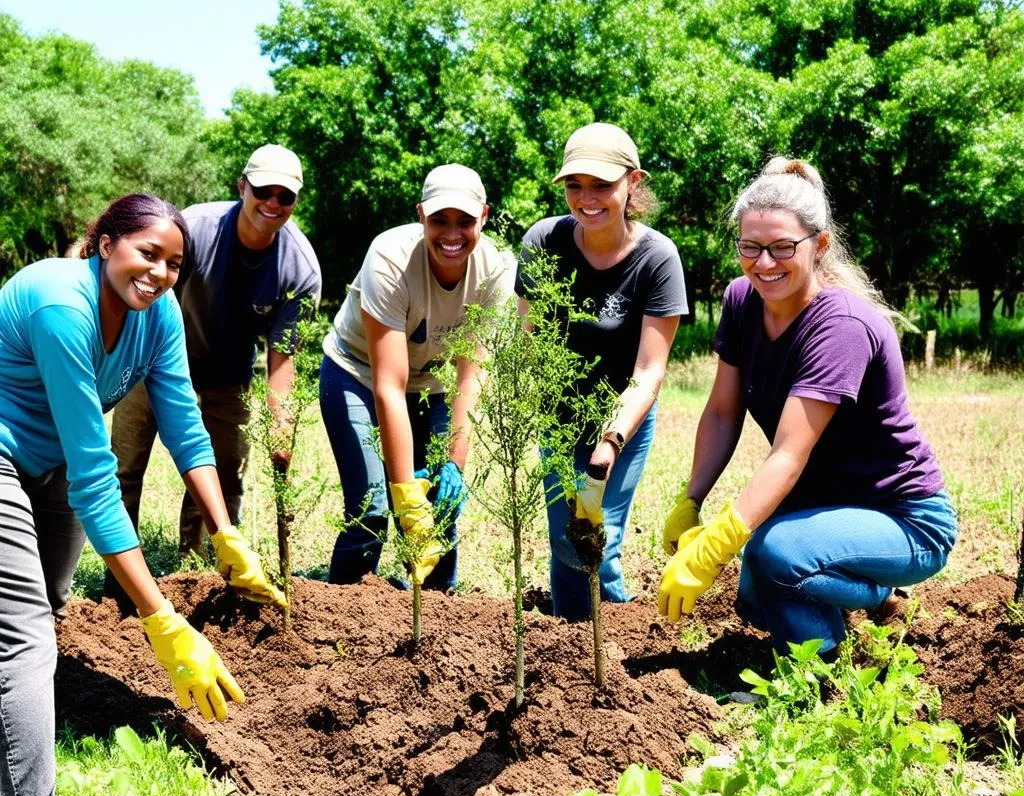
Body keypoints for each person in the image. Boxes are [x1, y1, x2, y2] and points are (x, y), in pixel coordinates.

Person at [0, 194, 286, 796]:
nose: (159, 274)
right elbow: (95, 477)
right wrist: (162, 619)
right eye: (146, 254)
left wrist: (225, 532)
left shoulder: (158, 316)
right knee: (22, 635)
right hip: (8, 452)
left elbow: (186, 424)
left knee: (46, 610)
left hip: (56, 461)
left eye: (174, 264)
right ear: (106, 245)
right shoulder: (60, 306)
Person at [658, 158, 957, 657]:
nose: (764, 263)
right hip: (825, 507)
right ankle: (838, 590)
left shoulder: (840, 325)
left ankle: (821, 666)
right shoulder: (741, 300)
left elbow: (788, 455)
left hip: (904, 519)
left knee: (775, 556)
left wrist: (718, 543)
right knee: (756, 600)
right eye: (750, 248)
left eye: (781, 248)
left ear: (818, 246)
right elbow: (721, 412)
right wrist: (692, 500)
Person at [109, 145, 322, 574]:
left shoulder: (300, 269)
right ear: (242, 186)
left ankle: (199, 572)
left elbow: (281, 361)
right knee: (124, 469)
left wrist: (281, 433)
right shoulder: (197, 230)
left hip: (229, 375)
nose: (273, 203)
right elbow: (148, 295)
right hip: (154, 361)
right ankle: (120, 577)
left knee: (224, 475)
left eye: (286, 196)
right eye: (264, 190)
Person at [515, 123, 687, 621]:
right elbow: (530, 342)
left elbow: (650, 370)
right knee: (568, 542)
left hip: (624, 420)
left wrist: (608, 442)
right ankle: (574, 647)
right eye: (574, 185)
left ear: (632, 183)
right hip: (560, 416)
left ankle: (614, 638)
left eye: (601, 185)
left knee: (599, 540)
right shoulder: (544, 241)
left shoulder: (657, 258)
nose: (586, 199)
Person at [320, 163, 514, 588]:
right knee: (372, 506)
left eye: (465, 221)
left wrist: (456, 467)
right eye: (439, 219)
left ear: (484, 216)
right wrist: (405, 493)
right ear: (421, 215)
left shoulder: (497, 268)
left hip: (435, 383)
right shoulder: (389, 256)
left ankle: (436, 612)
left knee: (442, 505)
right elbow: (389, 388)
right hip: (359, 373)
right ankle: (344, 610)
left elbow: (471, 379)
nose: (452, 233)